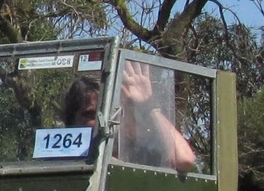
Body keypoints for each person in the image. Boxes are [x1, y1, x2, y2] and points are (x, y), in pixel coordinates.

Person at [61, 62, 196, 173]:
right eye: (90, 115)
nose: (102, 122)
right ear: (72, 121)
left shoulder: (136, 154)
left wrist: (148, 106)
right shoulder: (61, 160)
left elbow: (184, 159)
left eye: (108, 112)